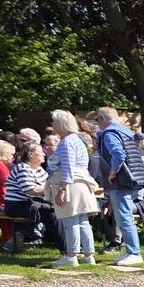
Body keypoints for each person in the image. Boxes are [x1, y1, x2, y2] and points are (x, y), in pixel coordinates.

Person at [94, 106, 144, 266]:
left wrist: (113, 172)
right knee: (124, 216)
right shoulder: (126, 131)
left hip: (120, 181)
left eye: (97, 119)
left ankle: (134, 253)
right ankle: (130, 251)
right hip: (133, 179)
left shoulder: (109, 133)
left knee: (124, 217)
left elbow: (118, 154)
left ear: (101, 119)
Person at [46, 110, 98, 266]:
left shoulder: (67, 142)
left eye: (54, 122)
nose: (53, 125)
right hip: (81, 183)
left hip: (70, 184)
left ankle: (71, 256)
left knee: (71, 221)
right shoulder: (78, 140)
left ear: (61, 124)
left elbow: (68, 167)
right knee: (83, 221)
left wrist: (62, 190)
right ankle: (89, 255)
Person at [5, 141, 56, 247]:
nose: (44, 154)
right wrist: (52, 188)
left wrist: (51, 188)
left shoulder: (40, 169)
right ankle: (65, 247)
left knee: (53, 211)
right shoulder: (22, 168)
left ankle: (60, 243)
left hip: (32, 203)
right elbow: (31, 190)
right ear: (31, 155)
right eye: (41, 152)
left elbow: (46, 187)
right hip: (17, 205)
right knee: (51, 213)